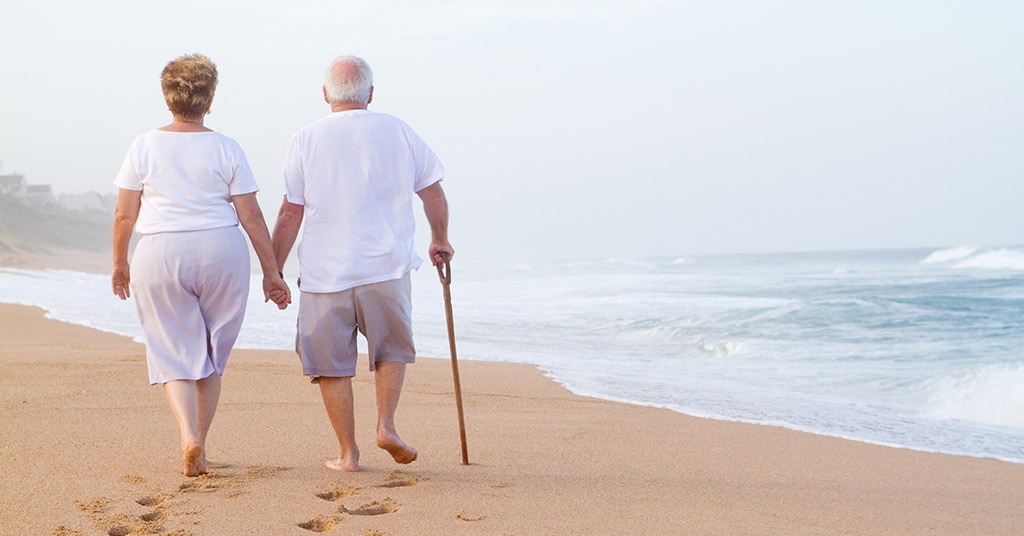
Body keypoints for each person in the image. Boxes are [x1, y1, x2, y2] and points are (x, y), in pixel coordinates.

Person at [111, 53, 291, 477]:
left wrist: (120, 262)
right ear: (209, 101)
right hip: (221, 251)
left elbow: (124, 214)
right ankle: (202, 447)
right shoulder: (227, 147)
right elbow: (251, 215)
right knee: (210, 354)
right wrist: (271, 271)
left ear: (166, 97)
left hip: (159, 251)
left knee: (174, 351)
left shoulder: (144, 145)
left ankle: (188, 436)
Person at [271, 55, 453, 472]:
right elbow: (434, 194)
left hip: (324, 275)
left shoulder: (305, 138)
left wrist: (274, 270)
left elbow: (289, 212)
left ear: (325, 95)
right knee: (390, 350)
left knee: (332, 363)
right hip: (385, 268)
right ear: (371, 93)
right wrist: (439, 239)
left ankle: (348, 454)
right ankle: (386, 426)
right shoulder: (398, 130)